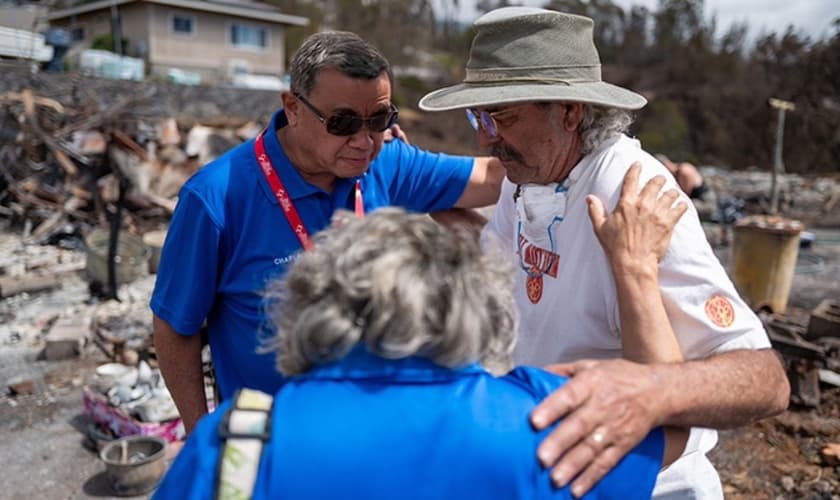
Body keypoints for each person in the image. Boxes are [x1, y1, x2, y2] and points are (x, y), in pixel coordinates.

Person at [419, 7, 789, 499]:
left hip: (647, 484)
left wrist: (646, 394)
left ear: (569, 111)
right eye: (478, 116)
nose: (485, 137)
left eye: (502, 116)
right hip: (558, 470)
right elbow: (504, 261)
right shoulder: (526, 174)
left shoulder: (634, 195)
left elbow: (765, 382)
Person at [153, 208, 687, 500]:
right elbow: (671, 423)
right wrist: (635, 266)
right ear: (476, 305)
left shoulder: (237, 444)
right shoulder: (548, 422)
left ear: (313, 301)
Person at [150, 31, 505, 434]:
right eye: (343, 122)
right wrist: (203, 437)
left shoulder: (384, 162)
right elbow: (174, 328)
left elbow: (492, 177)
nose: (363, 141)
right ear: (293, 107)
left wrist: (583, 159)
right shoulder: (216, 199)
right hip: (272, 447)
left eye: (379, 119)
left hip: (371, 433)